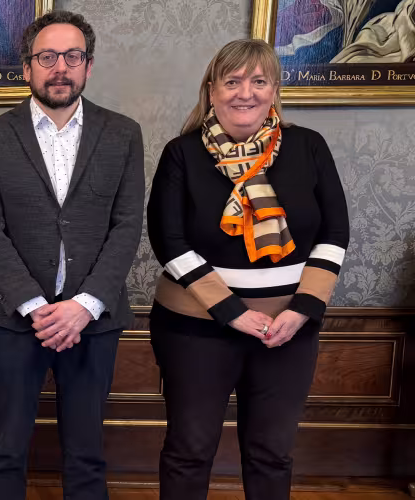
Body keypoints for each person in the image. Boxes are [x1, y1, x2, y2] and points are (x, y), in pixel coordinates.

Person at [148, 38, 349, 500]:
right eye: (232, 81)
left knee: (271, 454)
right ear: (212, 91)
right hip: (195, 329)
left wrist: (302, 309)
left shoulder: (309, 147)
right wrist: (233, 312)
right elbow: (169, 242)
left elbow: (335, 232)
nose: (246, 93)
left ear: (274, 90)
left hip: (287, 331)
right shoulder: (182, 153)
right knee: (189, 451)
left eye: (259, 81)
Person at [0, 10, 144, 500]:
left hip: (93, 320)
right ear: (27, 67)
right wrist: (35, 307)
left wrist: (83, 306)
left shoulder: (123, 134)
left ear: (89, 65)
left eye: (72, 56)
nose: (60, 67)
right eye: (47, 57)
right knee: (6, 451)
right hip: (14, 319)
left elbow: (127, 226)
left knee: (86, 455)